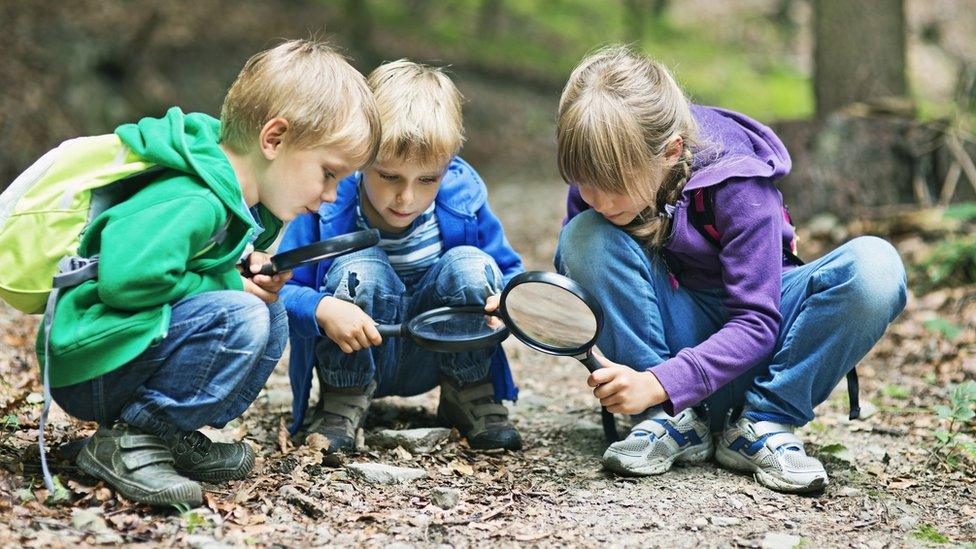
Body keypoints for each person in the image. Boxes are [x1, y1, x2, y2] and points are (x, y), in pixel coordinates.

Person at [38, 39, 380, 507]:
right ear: (274, 139)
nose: (332, 195)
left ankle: (162, 434)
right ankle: (129, 440)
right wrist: (227, 284)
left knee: (269, 312)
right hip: (91, 362)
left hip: (123, 351)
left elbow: (190, 271)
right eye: (329, 173)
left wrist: (240, 271)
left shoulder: (230, 201)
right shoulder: (194, 198)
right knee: (242, 315)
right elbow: (127, 280)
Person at [554, 45, 907, 493]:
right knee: (584, 235)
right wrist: (532, 306)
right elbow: (587, 290)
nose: (597, 200)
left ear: (670, 151)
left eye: (613, 187)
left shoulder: (738, 184)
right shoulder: (598, 192)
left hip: (760, 354)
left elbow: (758, 322)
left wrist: (660, 382)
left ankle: (764, 424)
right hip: (665, 361)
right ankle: (669, 424)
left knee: (876, 266)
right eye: (584, 182)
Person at [280, 60, 524, 453]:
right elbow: (282, 292)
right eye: (389, 176)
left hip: (437, 351)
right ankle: (343, 400)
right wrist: (322, 307)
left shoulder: (462, 200)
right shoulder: (328, 205)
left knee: (470, 264)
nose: (406, 198)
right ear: (361, 159)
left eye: (427, 179)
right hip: (357, 349)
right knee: (361, 265)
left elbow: (510, 272)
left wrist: (508, 301)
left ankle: (468, 391)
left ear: (446, 167)